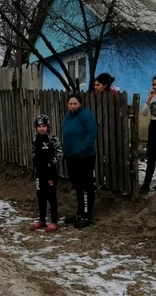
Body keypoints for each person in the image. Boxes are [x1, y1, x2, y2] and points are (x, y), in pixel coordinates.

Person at [62, 93, 98, 229]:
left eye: (75, 103)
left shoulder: (86, 115)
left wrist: (82, 148)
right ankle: (79, 212)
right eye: (70, 103)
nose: (72, 106)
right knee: (77, 185)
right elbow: (67, 134)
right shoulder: (67, 116)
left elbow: (92, 133)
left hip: (85, 156)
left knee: (87, 185)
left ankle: (87, 216)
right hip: (71, 156)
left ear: (80, 104)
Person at [31, 114, 62, 233]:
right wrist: (35, 161)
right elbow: (33, 151)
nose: (41, 128)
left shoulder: (52, 138)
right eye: (39, 126)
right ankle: (42, 219)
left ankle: (53, 221)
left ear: (47, 126)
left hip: (50, 172)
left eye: (44, 126)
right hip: (39, 171)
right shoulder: (35, 138)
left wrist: (51, 162)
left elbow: (59, 152)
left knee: (51, 196)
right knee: (40, 195)